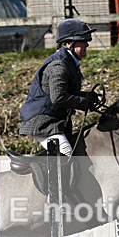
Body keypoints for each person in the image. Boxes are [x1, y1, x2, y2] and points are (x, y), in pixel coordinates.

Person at [19, 18, 100, 156]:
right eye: (83, 40)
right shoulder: (59, 65)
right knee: (65, 155)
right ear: (68, 43)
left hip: (55, 121)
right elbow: (59, 97)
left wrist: (86, 96)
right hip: (44, 122)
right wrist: (84, 103)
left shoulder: (69, 62)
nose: (87, 43)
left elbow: (66, 93)